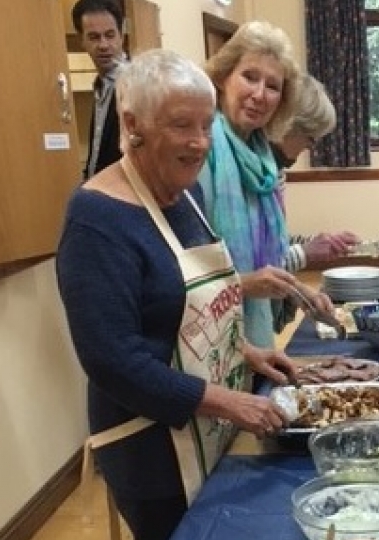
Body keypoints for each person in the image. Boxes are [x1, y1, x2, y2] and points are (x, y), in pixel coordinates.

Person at [56, 49, 298, 540]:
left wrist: (247, 354)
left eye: (206, 126)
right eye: (181, 125)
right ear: (132, 124)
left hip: (209, 424)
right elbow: (112, 360)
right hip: (151, 450)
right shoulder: (96, 220)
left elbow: (188, 311)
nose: (199, 142)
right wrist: (228, 402)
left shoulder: (188, 196)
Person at [197, 21, 333, 350]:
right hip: (208, 339)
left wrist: (301, 293)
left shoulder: (263, 161)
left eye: (273, 86)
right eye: (250, 77)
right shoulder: (201, 151)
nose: (260, 95)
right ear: (223, 76)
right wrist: (244, 285)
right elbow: (184, 275)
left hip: (255, 333)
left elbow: (266, 263)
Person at [269, 73, 360, 274]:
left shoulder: (275, 171)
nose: (310, 148)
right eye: (311, 138)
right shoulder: (253, 173)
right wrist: (305, 253)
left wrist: (318, 243)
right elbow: (255, 266)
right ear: (289, 125)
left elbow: (277, 241)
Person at [71, 0, 126, 179]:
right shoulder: (101, 86)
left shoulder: (136, 85)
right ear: (82, 41)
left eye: (110, 35)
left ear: (121, 36)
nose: (103, 45)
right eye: (94, 37)